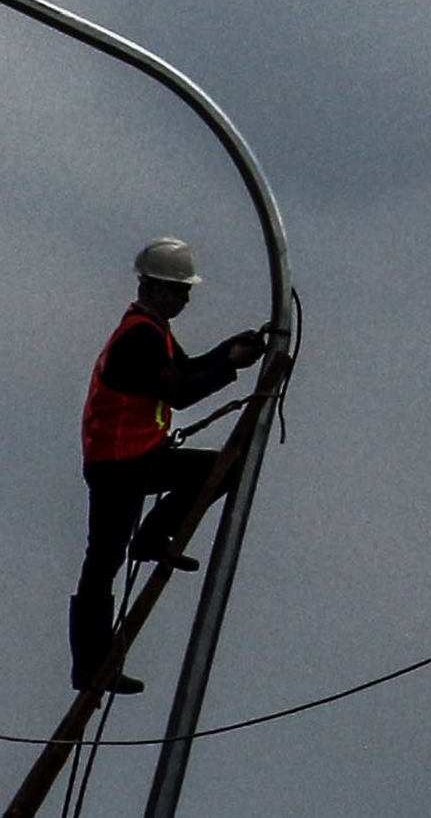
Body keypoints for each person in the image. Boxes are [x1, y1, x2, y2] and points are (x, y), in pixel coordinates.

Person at [72, 238, 266, 697]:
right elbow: (180, 391)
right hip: (119, 462)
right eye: (180, 291)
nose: (186, 299)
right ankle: (92, 665)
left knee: (223, 469)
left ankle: (153, 538)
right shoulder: (140, 336)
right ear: (157, 288)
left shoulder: (152, 330)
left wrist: (227, 352)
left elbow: (185, 368)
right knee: (103, 562)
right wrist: (229, 368)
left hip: (139, 456)